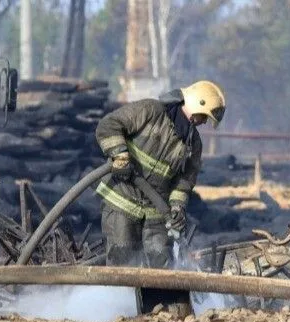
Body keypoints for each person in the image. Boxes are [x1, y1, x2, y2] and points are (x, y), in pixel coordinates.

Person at [95, 80, 226, 269]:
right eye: (204, 116)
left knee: (162, 266)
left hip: (157, 213)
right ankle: (118, 299)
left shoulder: (193, 143)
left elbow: (184, 182)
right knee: (121, 263)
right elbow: (109, 125)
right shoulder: (150, 111)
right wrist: (120, 154)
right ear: (197, 104)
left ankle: (162, 300)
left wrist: (177, 208)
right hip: (121, 201)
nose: (204, 122)